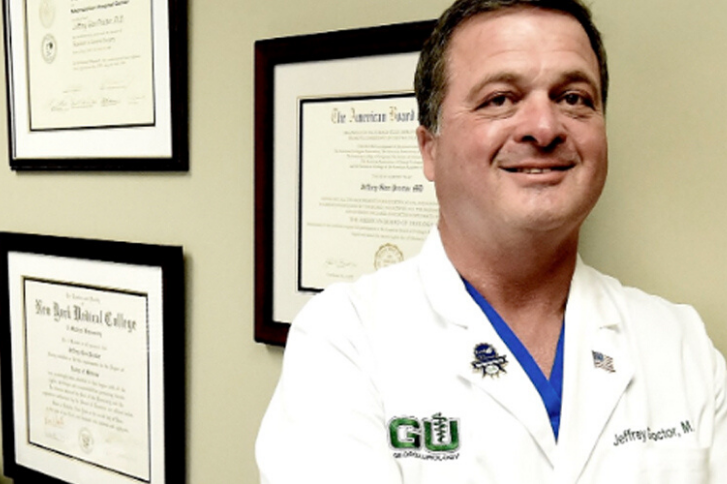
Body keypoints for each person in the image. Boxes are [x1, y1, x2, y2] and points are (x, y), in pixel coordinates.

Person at [256, 0, 727, 482]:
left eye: (574, 98)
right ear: (429, 149)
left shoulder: (679, 343)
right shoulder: (344, 341)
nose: (545, 128)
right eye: (500, 99)